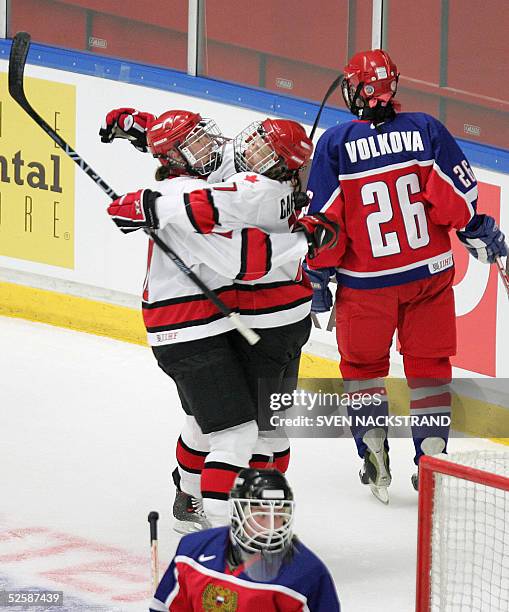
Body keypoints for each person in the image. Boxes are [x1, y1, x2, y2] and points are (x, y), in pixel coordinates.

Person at [101, 109, 338, 525]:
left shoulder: (231, 182)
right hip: (209, 329)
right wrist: (304, 237)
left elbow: (219, 182)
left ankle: (197, 503)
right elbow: (237, 247)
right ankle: (224, 529)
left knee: (213, 425)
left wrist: (148, 193)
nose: (224, 146)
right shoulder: (234, 183)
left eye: (263, 149)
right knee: (245, 434)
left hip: (229, 325)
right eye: (197, 142)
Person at [304, 49, 507, 503]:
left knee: (363, 370)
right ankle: (431, 454)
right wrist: (479, 230)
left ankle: (373, 449)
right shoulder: (426, 129)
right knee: (430, 371)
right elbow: (456, 200)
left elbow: (325, 225)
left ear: (360, 89)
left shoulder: (336, 144)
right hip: (429, 278)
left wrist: (317, 276)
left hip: (365, 285)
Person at [149, 468, 341, 611]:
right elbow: (166, 607)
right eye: (261, 514)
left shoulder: (307, 573)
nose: (271, 525)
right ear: (238, 513)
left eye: (279, 514)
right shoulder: (192, 550)